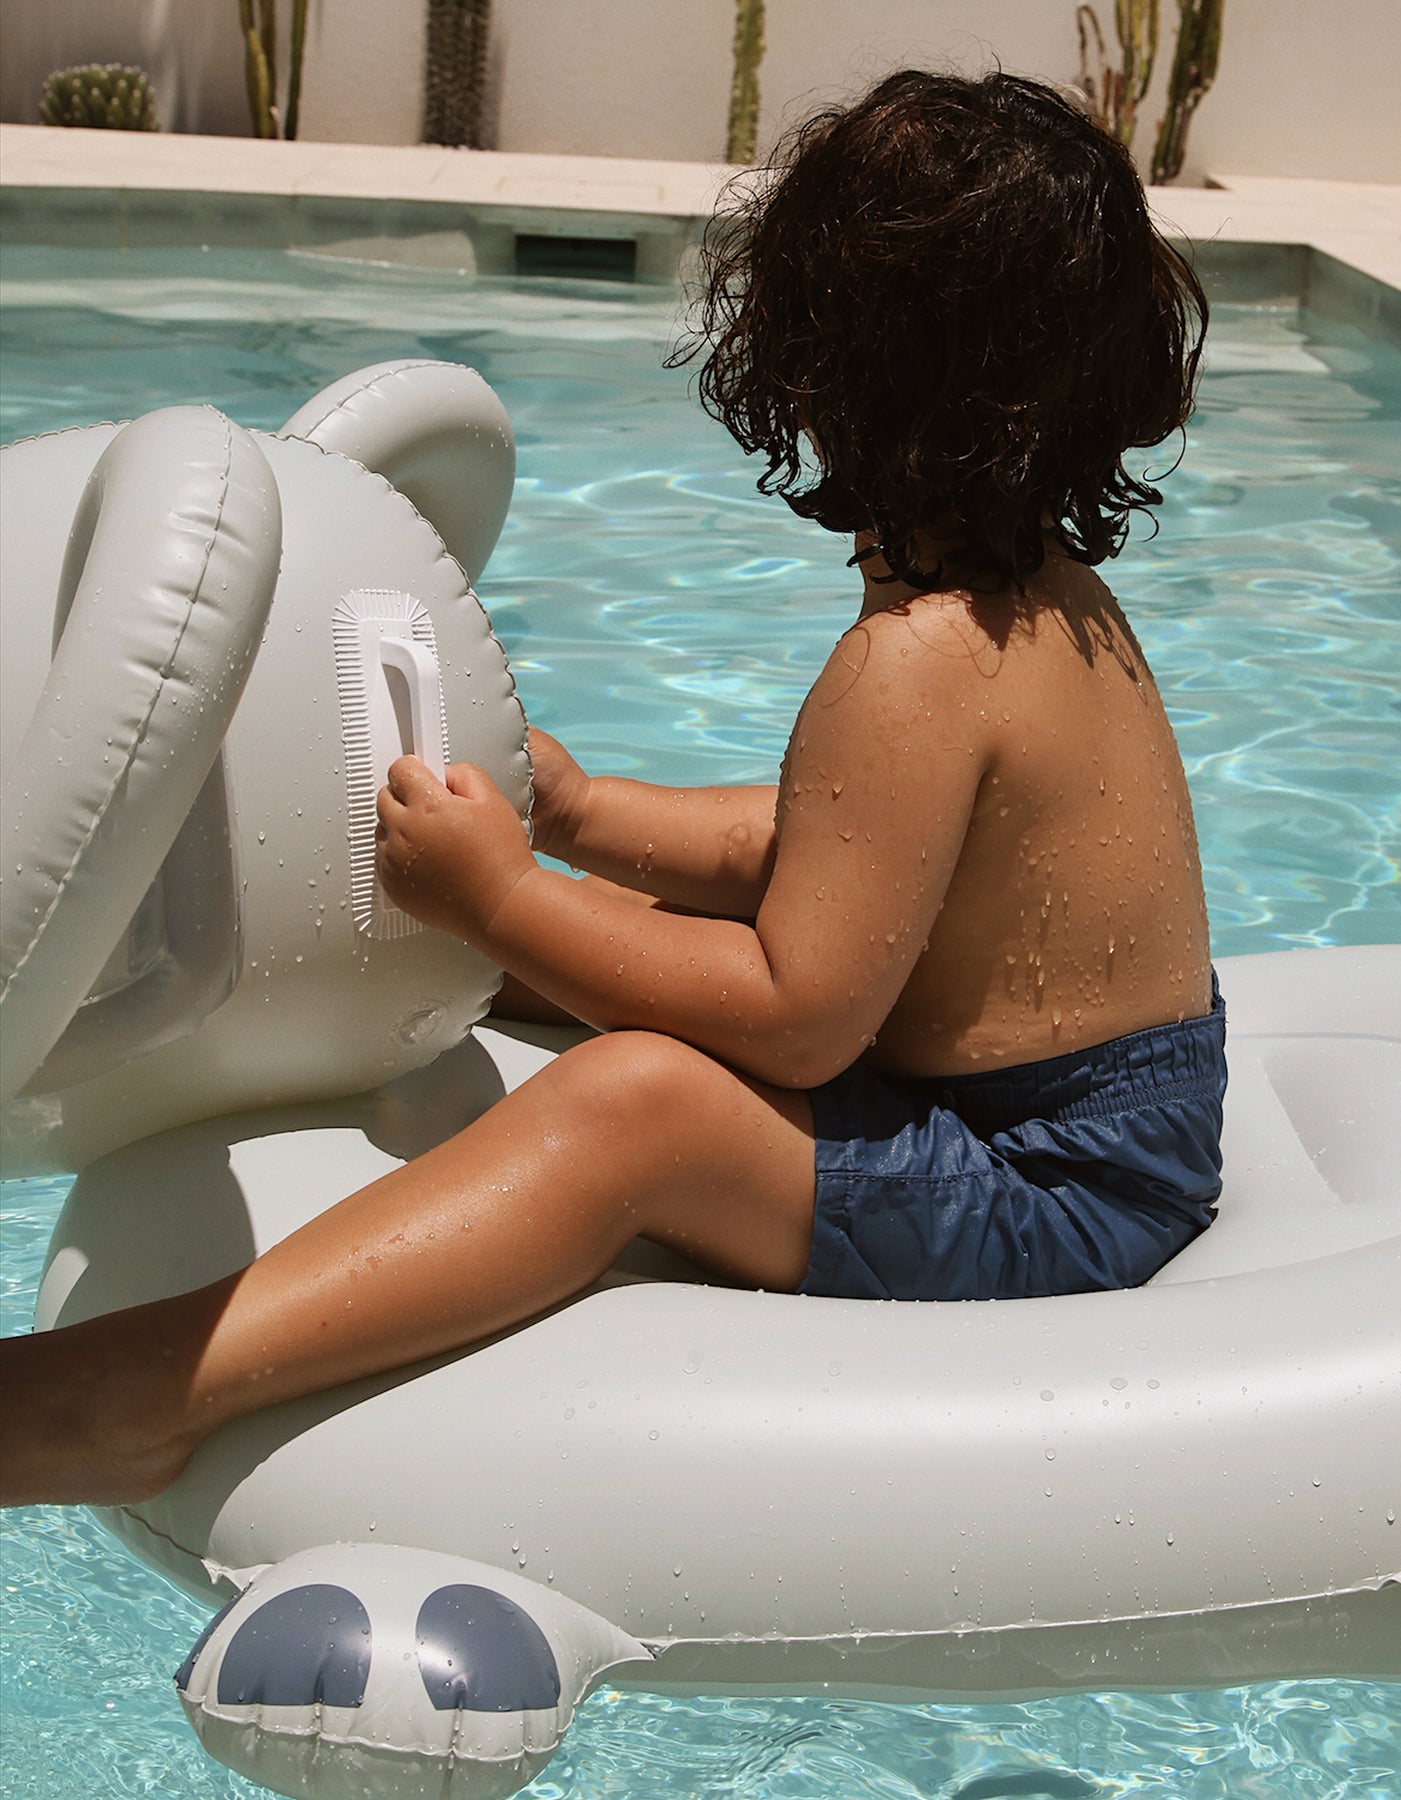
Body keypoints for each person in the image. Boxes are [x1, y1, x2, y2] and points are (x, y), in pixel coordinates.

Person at [0, 68, 1222, 1508]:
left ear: (810, 359)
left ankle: (147, 1390)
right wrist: (574, 820)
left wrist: (506, 897)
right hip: (1102, 1121)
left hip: (1052, 1196)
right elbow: (834, 852)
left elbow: (800, 1019)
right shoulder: (1043, 604)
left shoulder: (916, 661)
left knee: (637, 1102)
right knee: (601, 935)